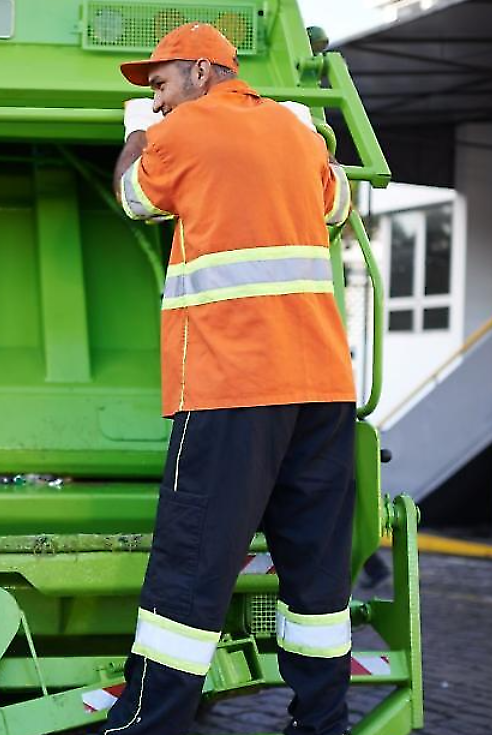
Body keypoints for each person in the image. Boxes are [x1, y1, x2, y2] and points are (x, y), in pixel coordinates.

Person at [102, 22, 356, 735]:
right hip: (323, 391)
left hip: (231, 388)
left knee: (191, 568)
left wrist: (135, 137)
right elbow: (340, 209)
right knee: (316, 581)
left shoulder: (181, 134)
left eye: (157, 85)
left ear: (203, 72)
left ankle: (148, 726)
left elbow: (131, 198)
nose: (154, 103)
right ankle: (322, 723)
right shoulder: (300, 135)